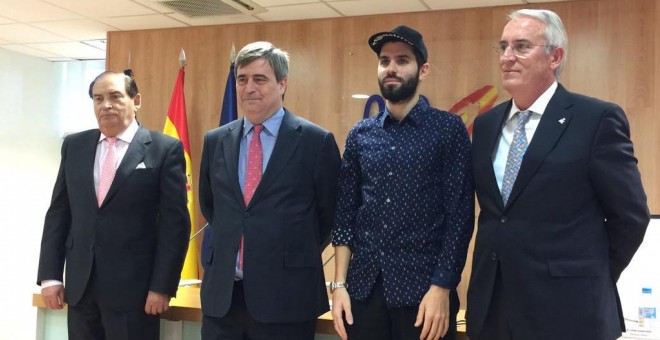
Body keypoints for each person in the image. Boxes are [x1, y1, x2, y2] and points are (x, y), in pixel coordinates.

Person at [466, 9, 650, 340]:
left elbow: (631, 216)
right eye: (503, 46)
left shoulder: (595, 119)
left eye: (521, 46)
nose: (507, 57)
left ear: (555, 56)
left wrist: (591, 274)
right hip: (493, 307)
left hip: (570, 310)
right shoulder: (486, 124)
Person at [331, 25, 474, 340]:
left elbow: (460, 219)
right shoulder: (360, 134)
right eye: (384, 61)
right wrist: (339, 286)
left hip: (424, 295)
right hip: (364, 293)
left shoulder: (448, 130)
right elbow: (344, 215)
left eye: (402, 60)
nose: (391, 68)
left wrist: (442, 288)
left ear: (423, 69)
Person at [198, 41, 341, 340]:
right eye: (242, 79)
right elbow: (211, 206)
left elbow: (329, 216)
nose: (249, 88)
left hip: (286, 298)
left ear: (282, 83)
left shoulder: (316, 141)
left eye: (259, 79)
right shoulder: (215, 141)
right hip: (223, 299)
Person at [36, 71, 191, 340]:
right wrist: (50, 276)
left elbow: (174, 225)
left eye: (115, 97)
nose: (106, 105)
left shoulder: (164, 149)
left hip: (135, 292)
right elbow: (60, 213)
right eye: (98, 98)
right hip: (81, 288)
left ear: (136, 100)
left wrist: (162, 287)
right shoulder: (75, 145)